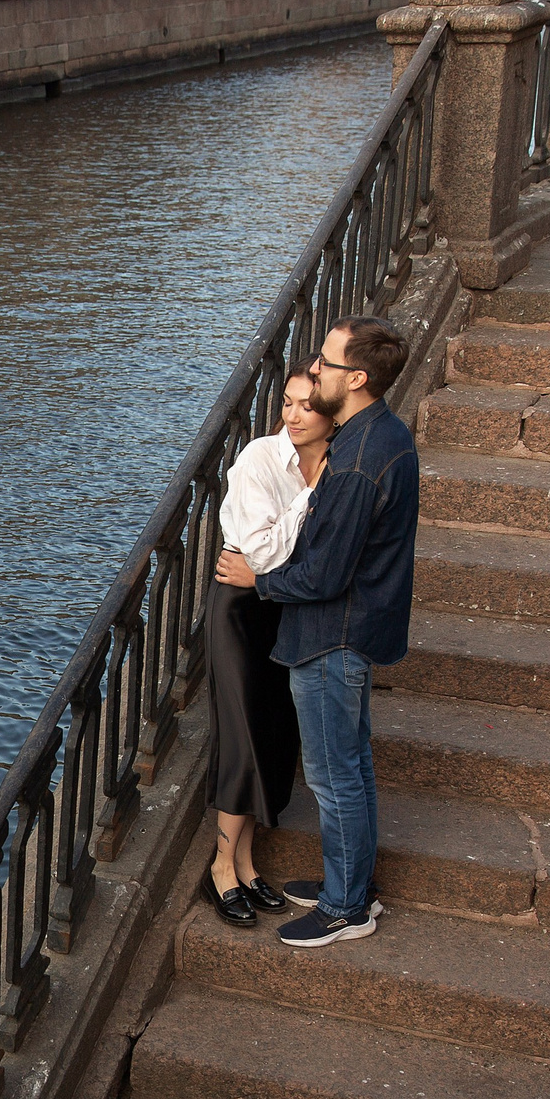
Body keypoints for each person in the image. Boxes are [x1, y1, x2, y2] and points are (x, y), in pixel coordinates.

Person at [214, 315, 417, 949]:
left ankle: (345, 908)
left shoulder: (355, 461)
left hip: (334, 635)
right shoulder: (385, 436)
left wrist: (257, 581)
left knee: (334, 776)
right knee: (350, 767)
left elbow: (325, 572)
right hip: (354, 626)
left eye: (327, 365)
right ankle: (351, 886)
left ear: (356, 378)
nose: (317, 371)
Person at [203, 375, 332, 927]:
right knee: (243, 732)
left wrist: (274, 570)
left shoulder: (339, 461)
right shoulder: (259, 458)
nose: (294, 416)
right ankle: (221, 867)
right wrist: (309, 497)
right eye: (287, 402)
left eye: (309, 406)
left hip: (287, 606)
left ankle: (249, 864)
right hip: (239, 607)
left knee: (275, 733)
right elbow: (259, 551)